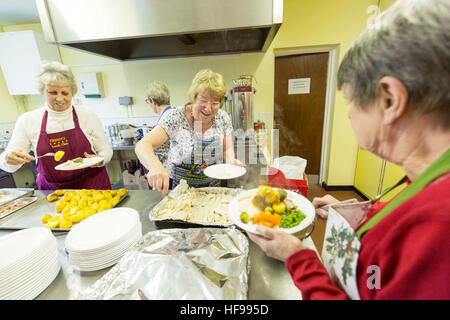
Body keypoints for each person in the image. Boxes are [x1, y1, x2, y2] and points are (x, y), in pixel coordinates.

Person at [248, 0, 450, 300]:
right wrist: (356, 216)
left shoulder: (438, 227)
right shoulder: (428, 182)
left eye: (352, 101)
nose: (349, 115)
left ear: (390, 100)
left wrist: (298, 256)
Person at [0, 61, 112, 190]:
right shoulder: (28, 120)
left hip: (92, 186)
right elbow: (8, 164)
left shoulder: (87, 115)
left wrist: (101, 160)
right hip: (53, 191)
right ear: (42, 91)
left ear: (73, 93)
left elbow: (105, 150)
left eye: (65, 93)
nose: (59, 99)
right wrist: (8, 159)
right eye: (53, 92)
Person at [135, 68, 244, 196]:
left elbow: (227, 149)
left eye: (215, 103)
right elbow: (142, 145)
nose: (208, 109)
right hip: (179, 190)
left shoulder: (223, 118)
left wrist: (231, 161)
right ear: (194, 98)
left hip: (213, 190)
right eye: (203, 100)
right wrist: (154, 166)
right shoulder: (175, 117)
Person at [144, 81, 172, 168]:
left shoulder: (166, 117)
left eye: (147, 101)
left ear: (152, 101)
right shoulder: (171, 113)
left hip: (168, 169)